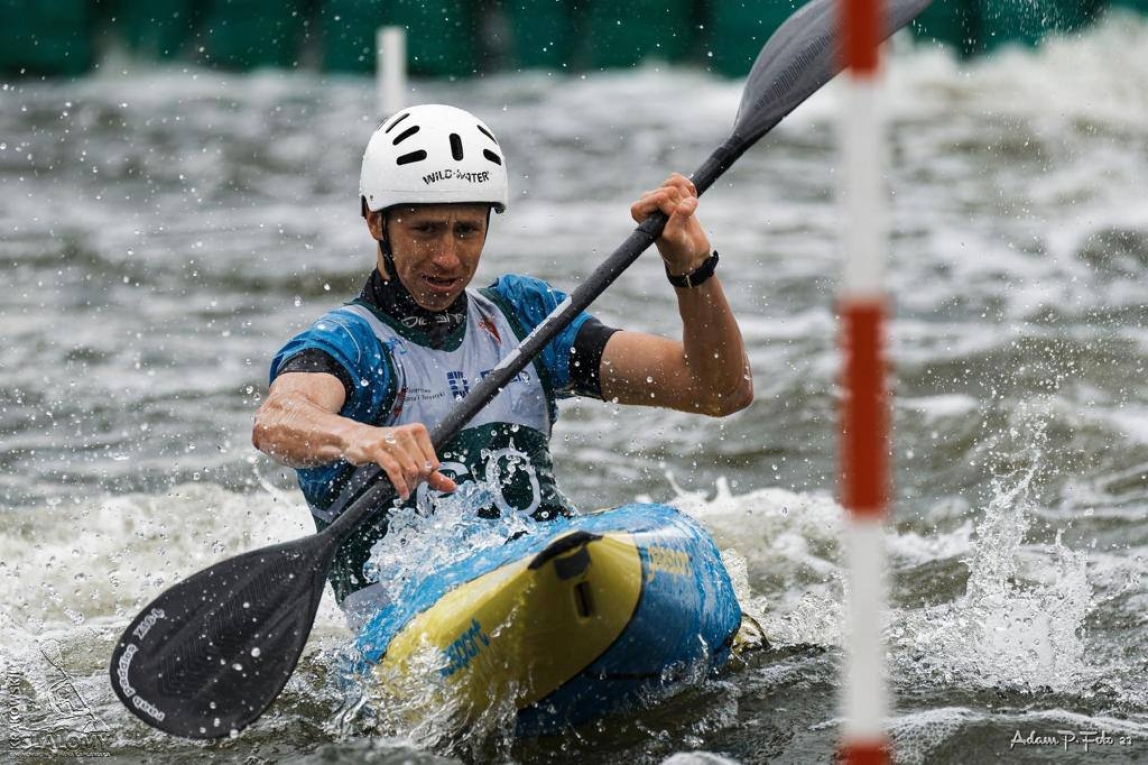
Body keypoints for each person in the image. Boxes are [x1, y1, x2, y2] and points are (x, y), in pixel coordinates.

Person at [252, 104, 753, 624]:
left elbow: (717, 390)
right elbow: (277, 420)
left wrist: (691, 268)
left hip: (546, 579)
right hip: (415, 633)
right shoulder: (351, 344)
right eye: (425, 230)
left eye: (466, 230)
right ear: (375, 221)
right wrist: (359, 439)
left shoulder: (524, 319)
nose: (448, 258)